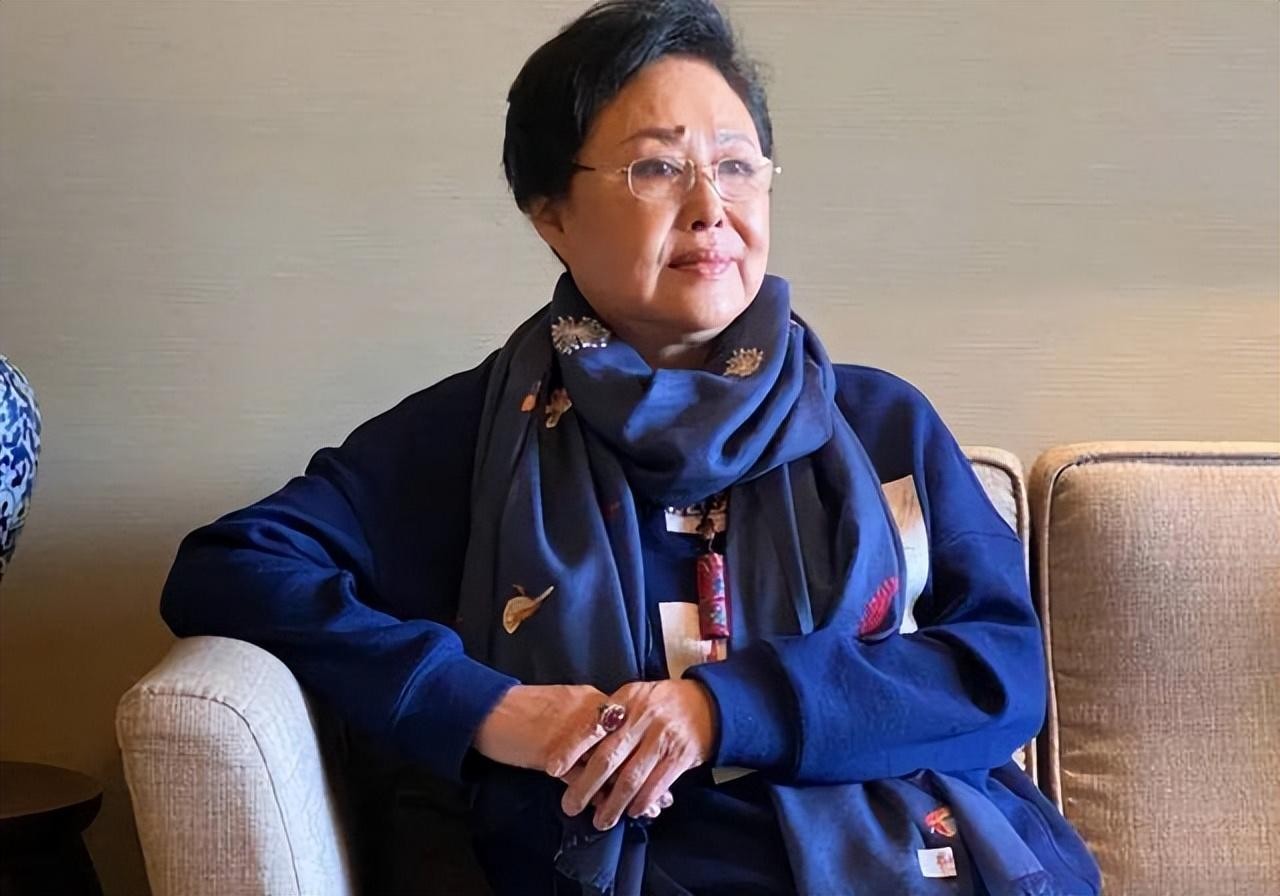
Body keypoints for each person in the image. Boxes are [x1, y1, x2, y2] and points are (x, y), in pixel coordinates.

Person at [160, 1, 1101, 893]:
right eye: (657, 168)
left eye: (737, 165)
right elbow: (231, 566)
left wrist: (719, 709)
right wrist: (487, 708)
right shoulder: (476, 435)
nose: (710, 206)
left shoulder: (878, 424)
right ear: (550, 213)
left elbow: (1002, 671)